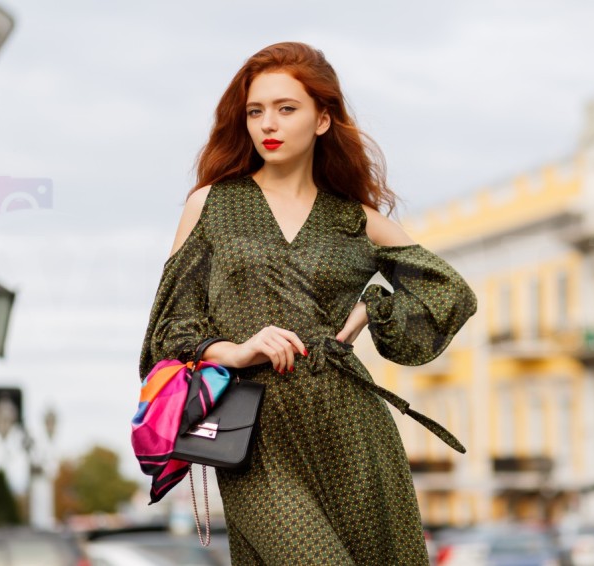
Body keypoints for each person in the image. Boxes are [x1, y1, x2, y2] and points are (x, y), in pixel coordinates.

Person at [139, 41, 477, 565]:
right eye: (256, 111)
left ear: (322, 119)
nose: (267, 124)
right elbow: (169, 329)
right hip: (251, 433)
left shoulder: (355, 218)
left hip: (351, 429)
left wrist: (373, 307)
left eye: (285, 108)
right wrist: (235, 349)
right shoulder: (211, 204)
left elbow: (449, 292)